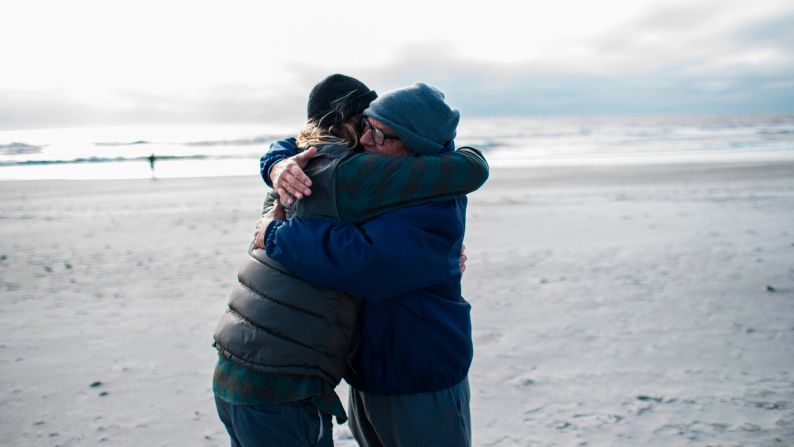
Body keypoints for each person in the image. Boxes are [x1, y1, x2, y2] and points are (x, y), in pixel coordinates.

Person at [212, 75, 488, 447]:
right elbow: (309, 148)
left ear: (416, 149)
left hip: (420, 371)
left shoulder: (427, 196)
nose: (365, 140)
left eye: (380, 134)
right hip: (367, 368)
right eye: (367, 126)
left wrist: (275, 232)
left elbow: (366, 262)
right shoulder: (370, 174)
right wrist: (276, 164)